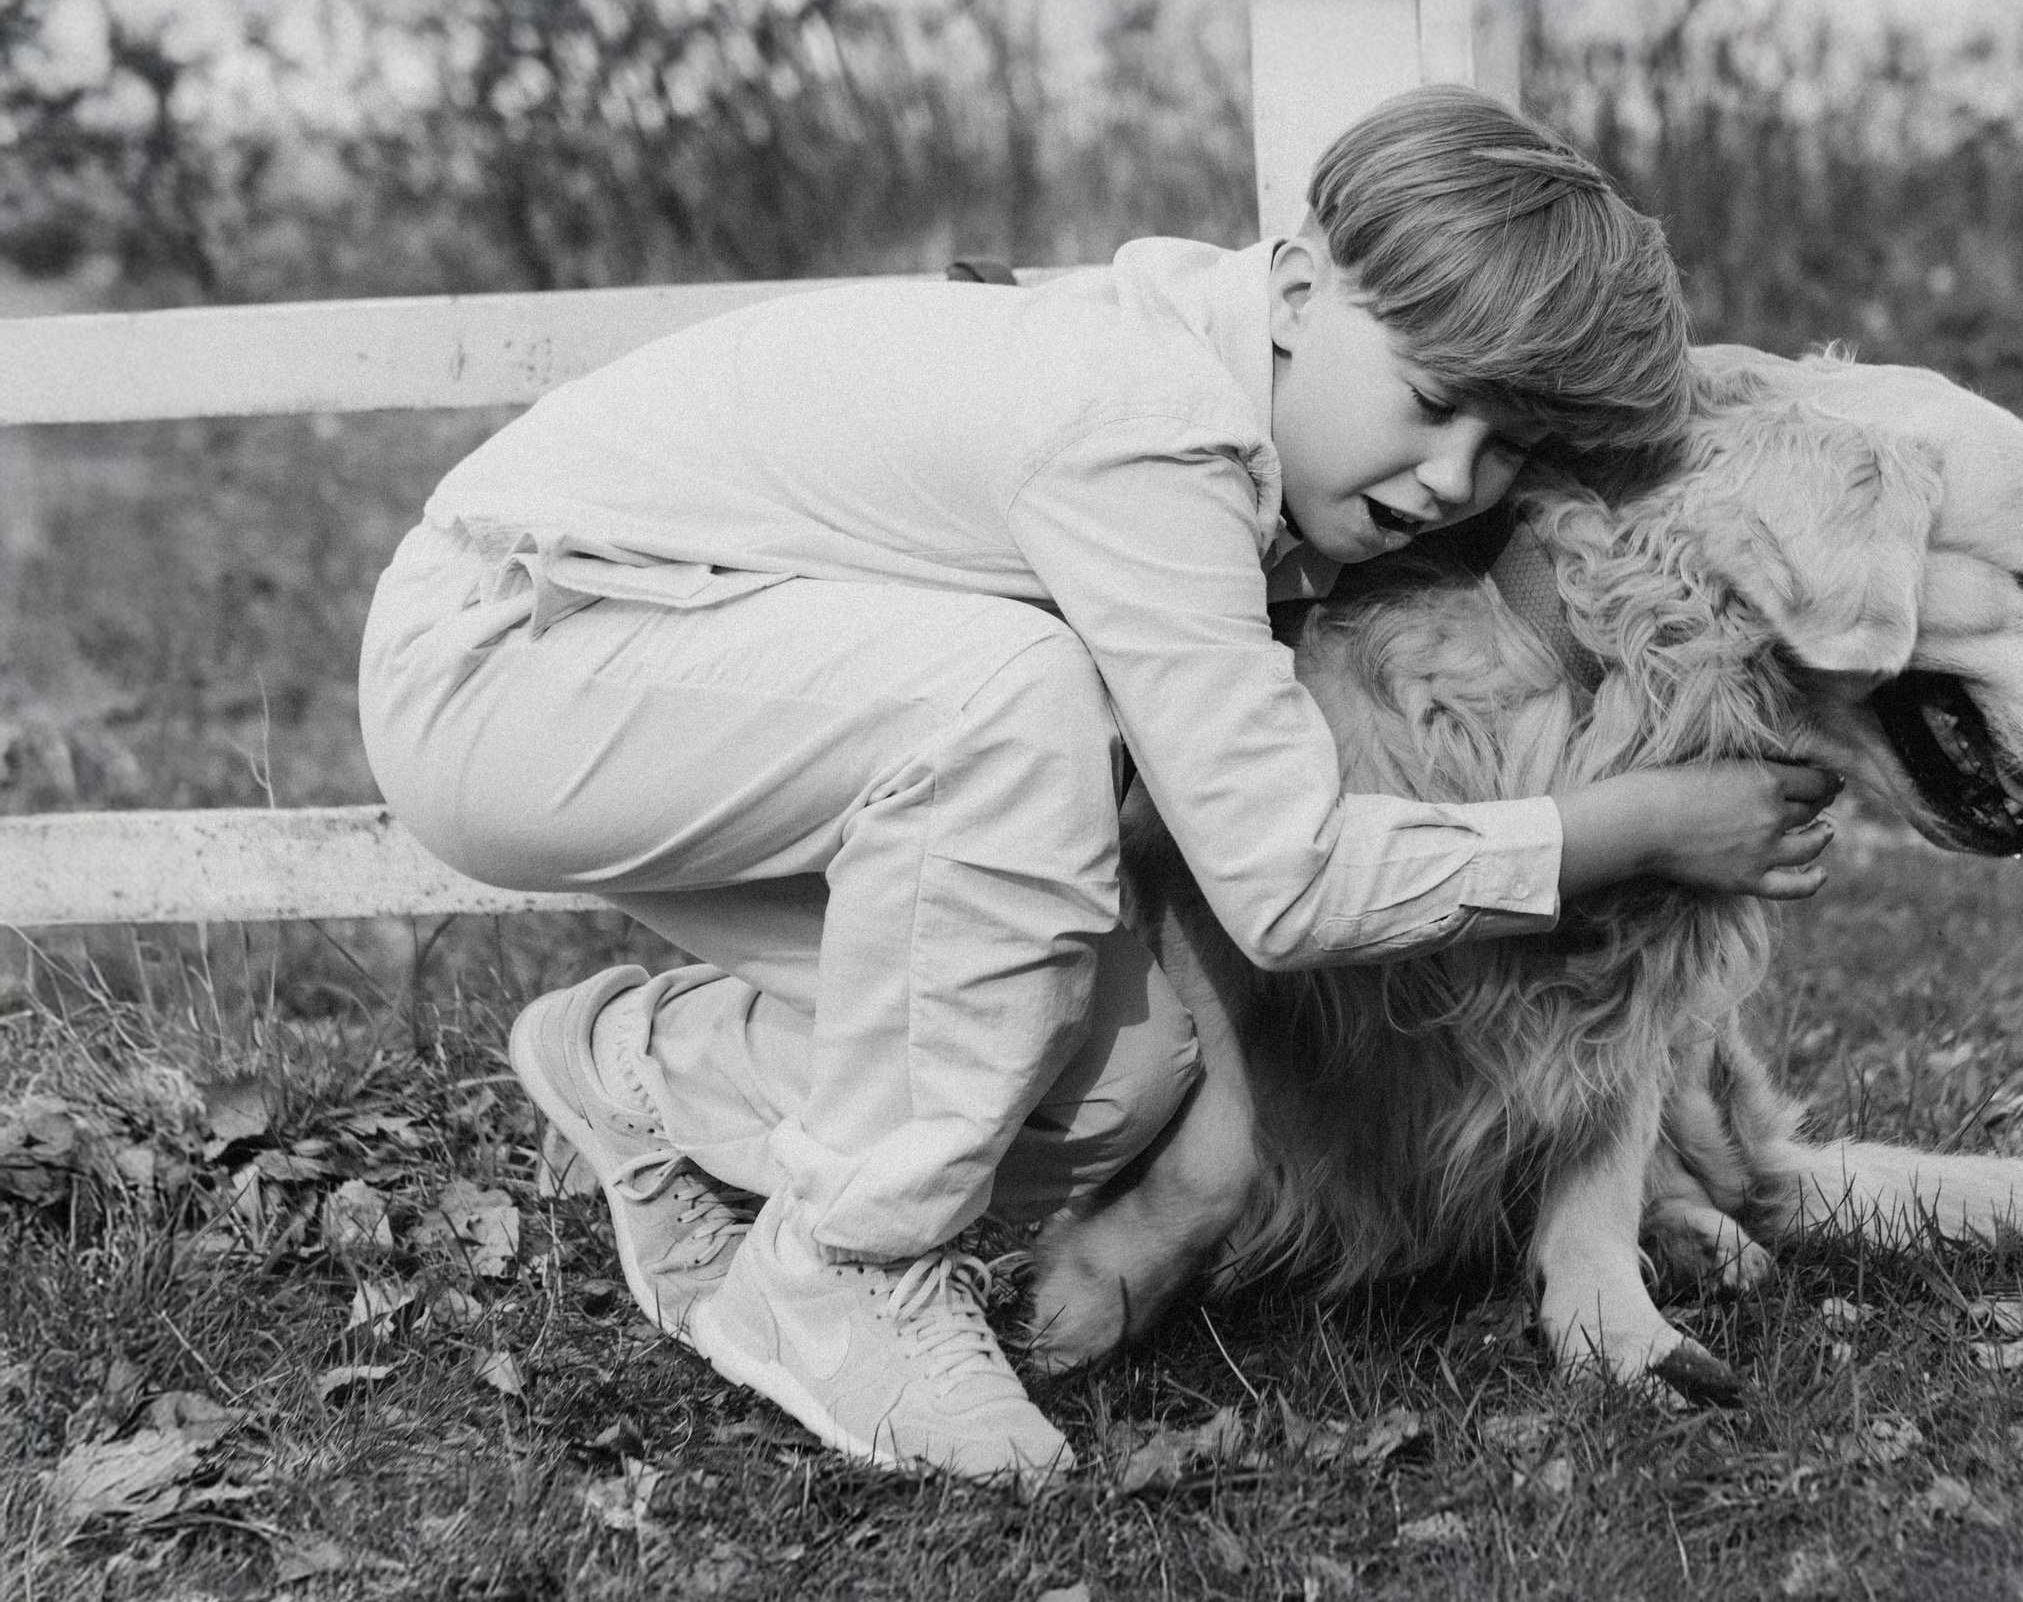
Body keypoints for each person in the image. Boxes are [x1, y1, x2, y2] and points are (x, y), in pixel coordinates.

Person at [357, 85, 1841, 1485]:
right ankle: (851, 1274)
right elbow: (1286, 883)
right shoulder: (1149, 427)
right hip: (517, 658)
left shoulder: (1264, 437)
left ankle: (648, 1069)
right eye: (1435, 399)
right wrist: (1637, 824)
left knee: (1112, 1073)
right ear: (1304, 291)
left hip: (712, 680)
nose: (1453, 478)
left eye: (1508, 447)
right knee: (1014, 706)